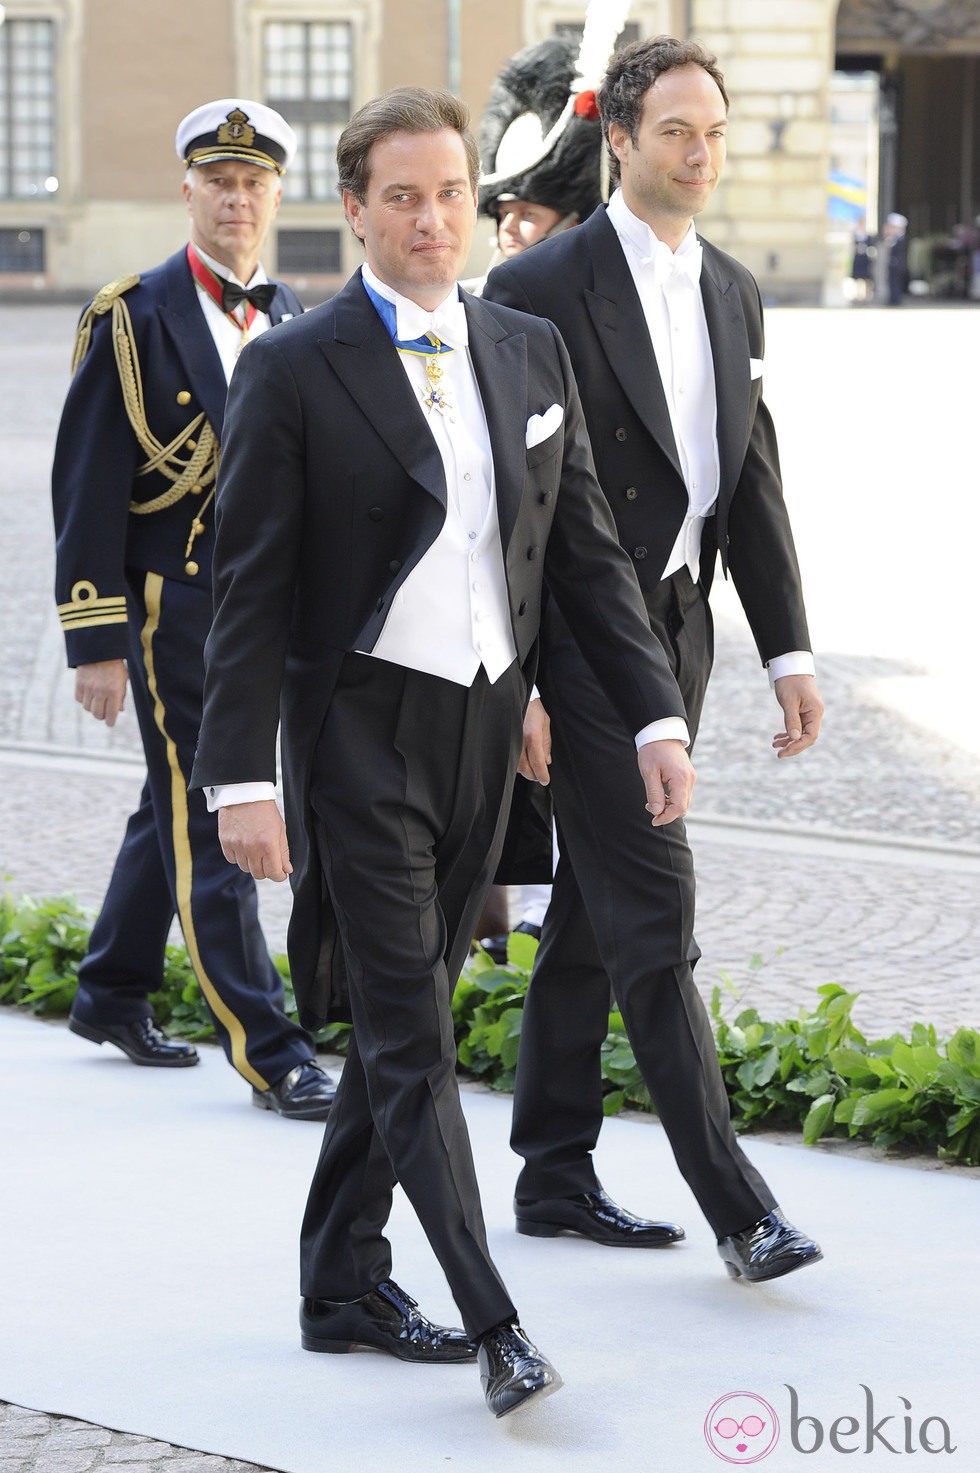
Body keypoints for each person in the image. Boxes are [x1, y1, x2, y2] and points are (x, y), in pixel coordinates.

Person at [190, 86, 697, 1417]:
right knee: (412, 1033)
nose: (431, 219)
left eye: (452, 193)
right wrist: (241, 778)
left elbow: (584, 554)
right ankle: (495, 1321)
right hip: (359, 733)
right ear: (352, 209)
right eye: (402, 196)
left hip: (486, 732)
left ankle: (342, 1281)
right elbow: (247, 589)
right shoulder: (293, 370)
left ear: (478, 200)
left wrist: (651, 714)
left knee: (401, 1024)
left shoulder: (528, 350)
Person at [483, 36, 826, 1282]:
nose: (699, 153)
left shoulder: (733, 288)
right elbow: (499, 509)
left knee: (592, 904)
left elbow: (749, 480)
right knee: (649, 906)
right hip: (578, 636)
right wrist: (516, 679)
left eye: (714, 132)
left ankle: (552, 1171)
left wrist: (783, 645)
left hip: (676, 628)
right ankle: (739, 1208)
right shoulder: (540, 287)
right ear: (618, 141)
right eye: (675, 130)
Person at [51, 99, 336, 1121]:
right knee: (220, 806)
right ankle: (270, 1047)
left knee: (168, 799)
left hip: (263, 610)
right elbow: (84, 483)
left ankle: (112, 990)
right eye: (218, 180)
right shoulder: (134, 317)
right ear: (189, 191)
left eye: (253, 181)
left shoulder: (294, 313)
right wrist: (96, 637)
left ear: (273, 194)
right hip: (174, 603)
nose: (235, 196)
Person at [470, 31, 609, 955]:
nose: (509, 227)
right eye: (504, 209)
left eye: (530, 211)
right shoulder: (484, 306)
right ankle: (486, 957)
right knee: (486, 805)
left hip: (591, 588)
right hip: (503, 595)